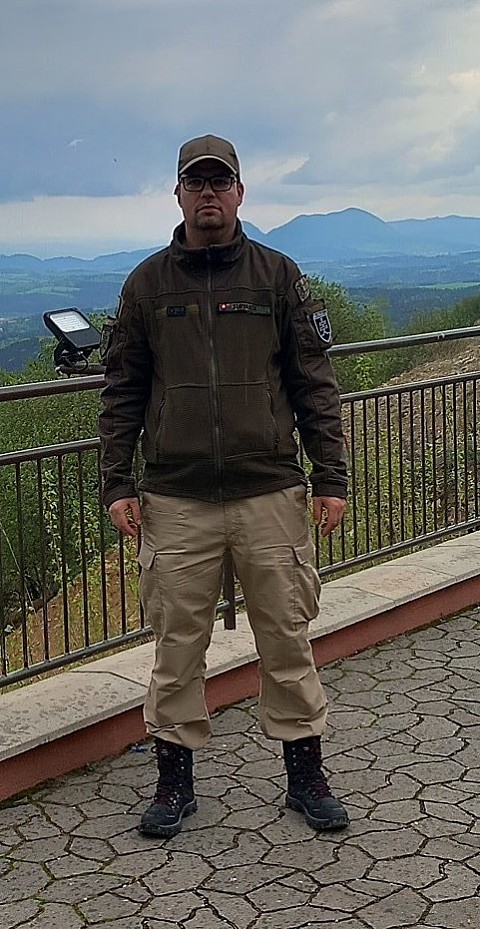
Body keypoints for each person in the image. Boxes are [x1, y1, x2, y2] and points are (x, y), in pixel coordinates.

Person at [99, 134, 349, 838]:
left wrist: (330, 475)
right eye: (196, 182)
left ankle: (306, 775)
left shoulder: (278, 276)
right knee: (176, 647)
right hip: (175, 499)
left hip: (269, 493)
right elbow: (122, 392)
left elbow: (314, 385)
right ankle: (173, 783)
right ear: (177, 193)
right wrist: (117, 481)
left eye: (220, 181)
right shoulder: (147, 285)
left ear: (240, 192)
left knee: (287, 639)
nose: (208, 193)